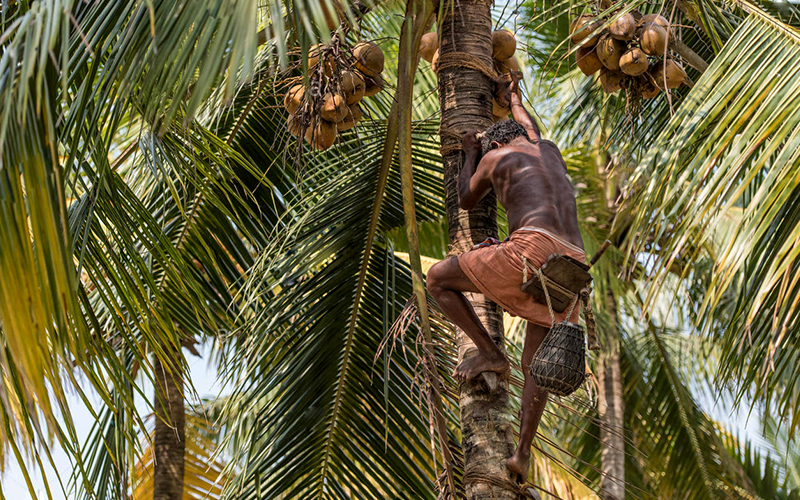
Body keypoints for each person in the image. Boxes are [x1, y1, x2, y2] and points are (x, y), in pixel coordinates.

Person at [425, 75, 585, 483]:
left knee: (438, 279)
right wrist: (513, 98)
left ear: (496, 145)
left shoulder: (496, 158)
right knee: (538, 364)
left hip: (530, 250)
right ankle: (523, 454)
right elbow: (529, 127)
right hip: (574, 264)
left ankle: (489, 352)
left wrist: (470, 152)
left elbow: (465, 198)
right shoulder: (548, 150)